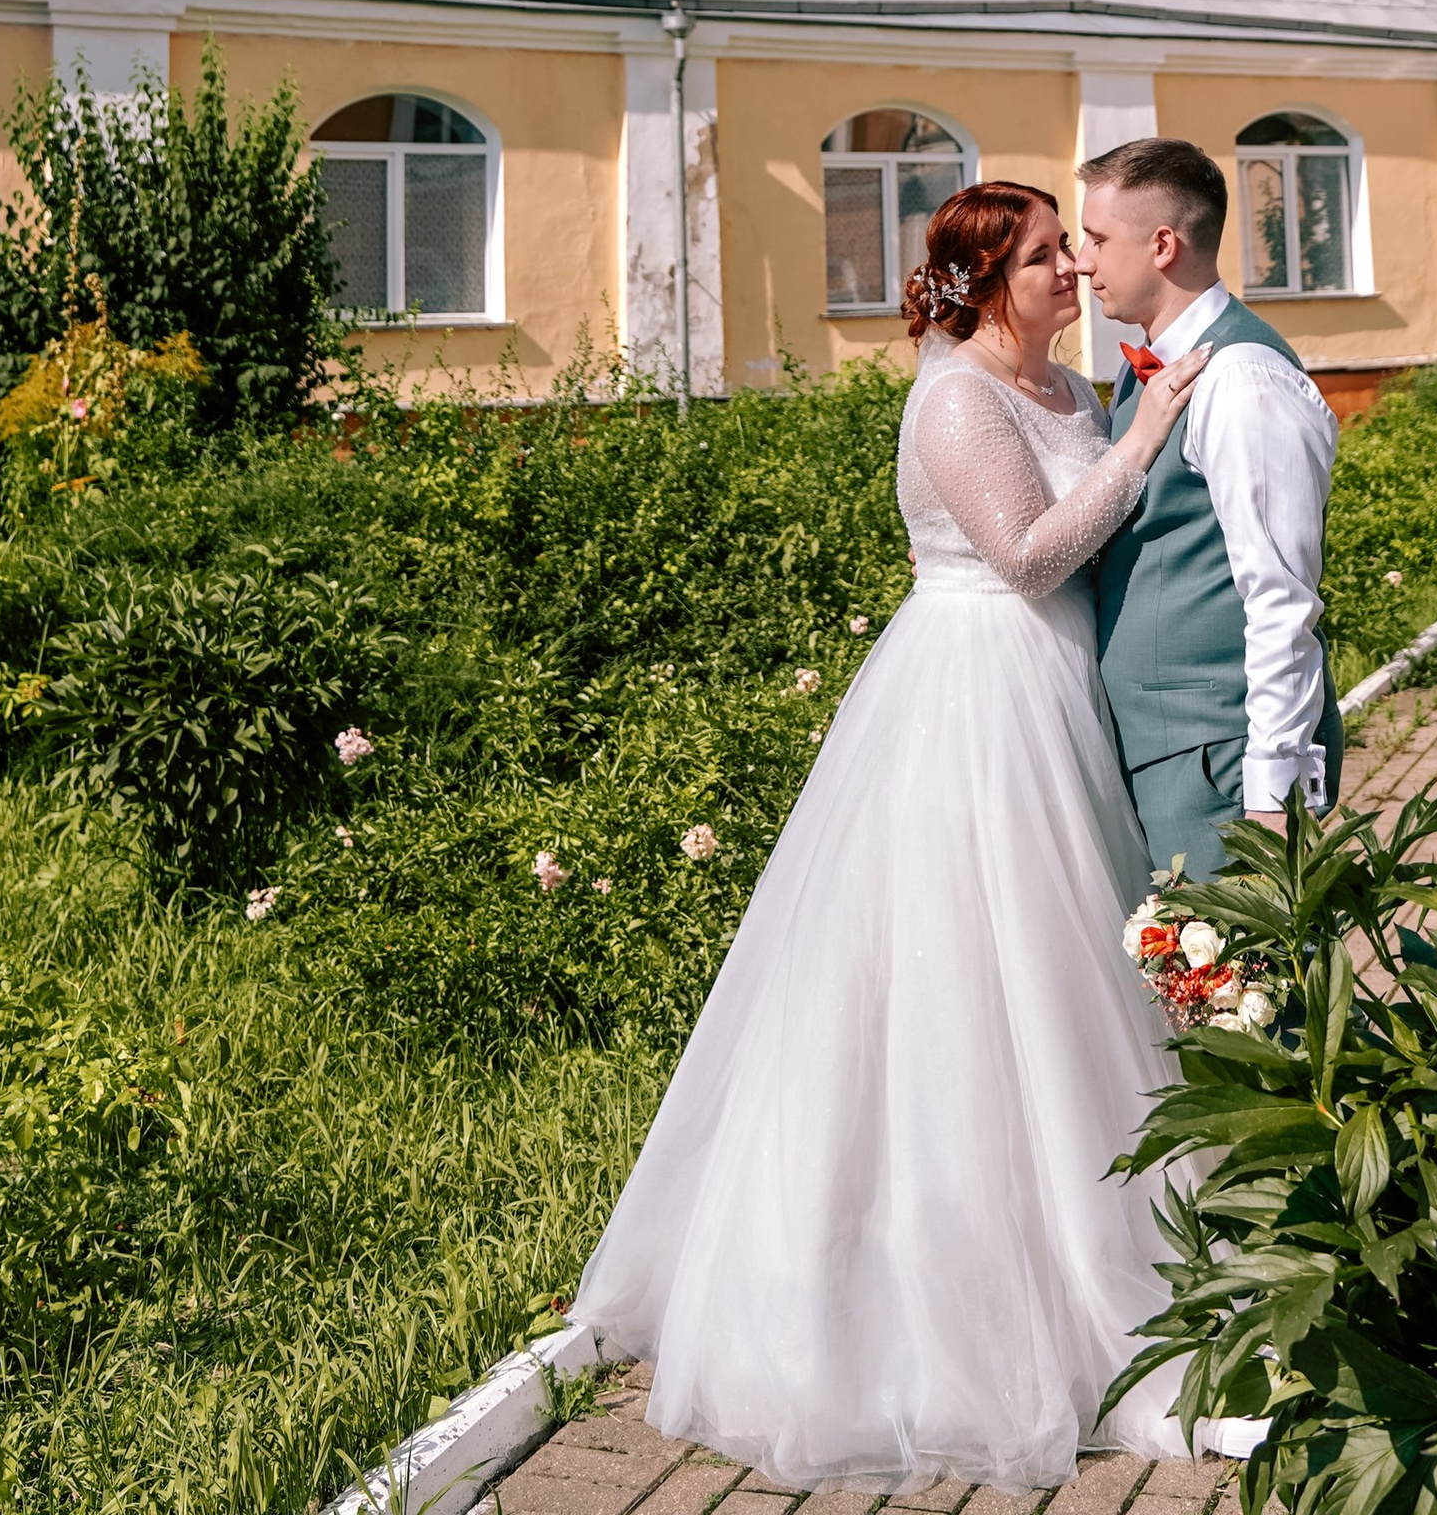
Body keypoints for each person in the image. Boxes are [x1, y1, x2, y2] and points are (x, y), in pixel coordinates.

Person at [574, 181, 1213, 1494]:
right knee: (968, 978)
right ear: (983, 280)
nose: (1068, 274)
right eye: (1044, 259)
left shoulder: (1066, 389)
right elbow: (1030, 556)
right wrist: (1144, 436)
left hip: (1059, 703)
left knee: (1076, 973)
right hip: (972, 701)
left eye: (1066, 253)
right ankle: (940, 1311)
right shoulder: (956, 400)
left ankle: (1108, 1254)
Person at [1074, 135, 1343, 877]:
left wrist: (1273, 787)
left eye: (1097, 239)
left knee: (1249, 992)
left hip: (1220, 764)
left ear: (1163, 245)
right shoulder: (1147, 371)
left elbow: (1281, 595)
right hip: (1169, 752)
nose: (1081, 261)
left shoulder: (1242, 378)